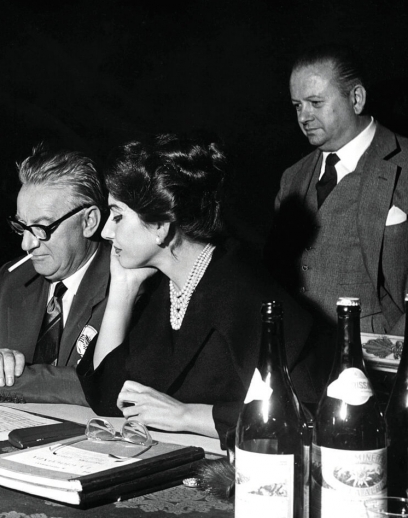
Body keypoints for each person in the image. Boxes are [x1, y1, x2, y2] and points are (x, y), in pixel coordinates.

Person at [77, 135, 324, 448]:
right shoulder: (164, 287)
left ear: (160, 227)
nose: (106, 231)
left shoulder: (245, 290)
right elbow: (110, 398)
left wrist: (186, 416)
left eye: (118, 215)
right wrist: (122, 290)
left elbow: (307, 417)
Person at [0, 145, 110, 404]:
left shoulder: (126, 284)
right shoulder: (15, 279)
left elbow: (101, 383)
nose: (27, 244)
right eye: (22, 227)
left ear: (89, 221)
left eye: (42, 228)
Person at [266, 44, 408, 337]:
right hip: (301, 358)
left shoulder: (405, 165)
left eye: (315, 103)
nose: (304, 117)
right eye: (297, 105)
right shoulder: (292, 177)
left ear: (356, 98)